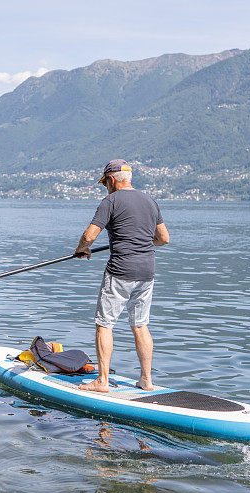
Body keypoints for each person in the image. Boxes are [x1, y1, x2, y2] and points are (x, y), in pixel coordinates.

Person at [75, 159, 170, 392]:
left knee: (104, 324)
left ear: (111, 179)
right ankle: (146, 380)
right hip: (147, 272)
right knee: (140, 325)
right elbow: (163, 239)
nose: (105, 188)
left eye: (104, 183)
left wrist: (81, 250)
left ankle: (102, 381)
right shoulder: (150, 200)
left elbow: (89, 235)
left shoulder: (110, 201)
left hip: (120, 271)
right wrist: (144, 241)